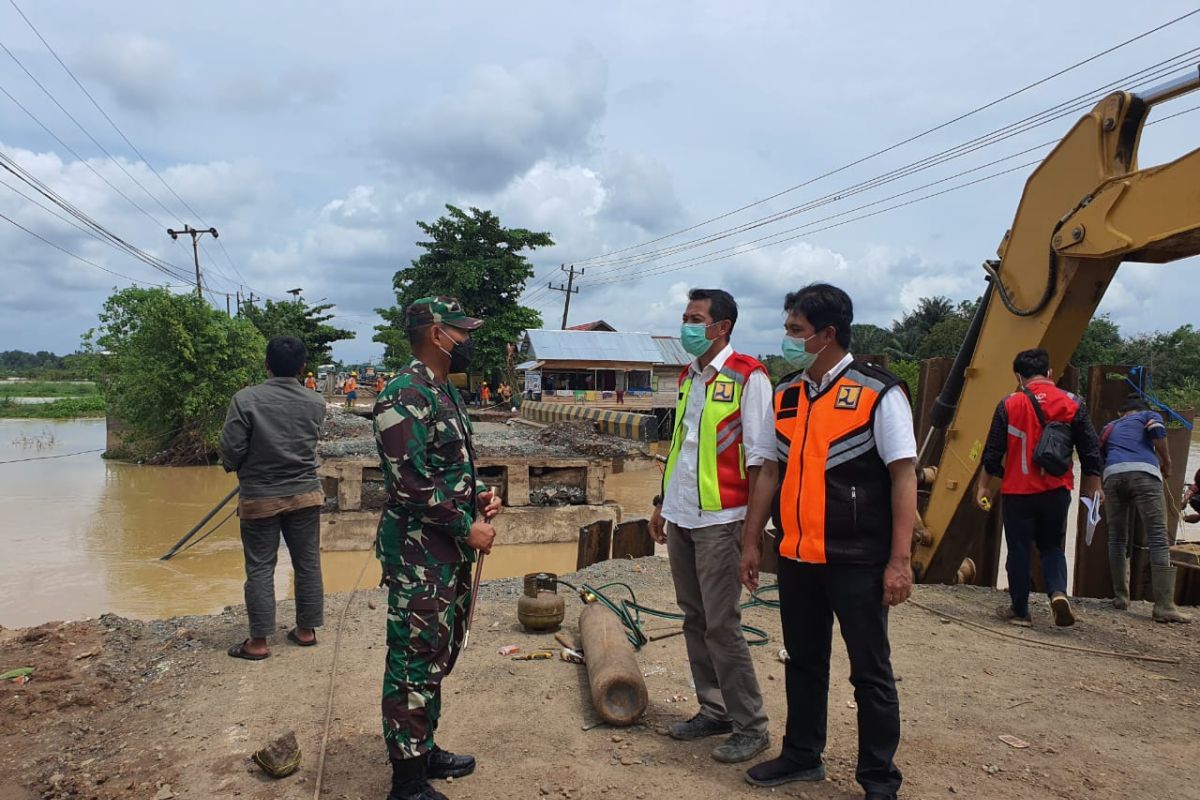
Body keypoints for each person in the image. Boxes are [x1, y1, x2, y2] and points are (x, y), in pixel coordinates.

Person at [741, 283, 916, 800]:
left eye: (796, 331)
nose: (788, 339)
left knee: (871, 674)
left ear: (828, 334)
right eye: (789, 328)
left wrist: (900, 561)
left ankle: (879, 779)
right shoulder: (787, 393)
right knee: (804, 660)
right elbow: (769, 473)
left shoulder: (878, 393)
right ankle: (801, 754)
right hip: (796, 556)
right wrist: (752, 543)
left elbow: (904, 476)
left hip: (858, 559)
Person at [374, 297, 501, 800]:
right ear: (435, 333)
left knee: (437, 651)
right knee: (414, 658)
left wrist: (480, 497)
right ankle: (405, 783)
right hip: (418, 552)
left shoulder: (443, 391)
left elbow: (448, 470)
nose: (467, 340)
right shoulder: (403, 394)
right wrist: (463, 525)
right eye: (460, 331)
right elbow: (409, 483)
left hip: (444, 550)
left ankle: (423, 750)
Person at [649, 288, 772, 764]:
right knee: (695, 619)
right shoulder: (688, 377)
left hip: (723, 521)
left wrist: (751, 538)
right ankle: (714, 708)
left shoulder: (749, 377)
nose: (687, 326)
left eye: (695, 318)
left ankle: (751, 725)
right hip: (682, 517)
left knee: (722, 625)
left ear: (722, 326)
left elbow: (762, 463)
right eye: (685, 317)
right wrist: (662, 505)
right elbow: (681, 447)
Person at [977, 347, 1103, 627]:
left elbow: (993, 451)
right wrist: (1094, 485)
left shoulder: (1008, 404)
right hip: (1057, 491)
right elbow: (1090, 449)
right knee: (1052, 547)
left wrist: (983, 486)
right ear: (1049, 373)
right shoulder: (1072, 402)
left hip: (1018, 492)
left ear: (1019, 377)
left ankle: (1020, 611)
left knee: (1019, 549)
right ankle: (1057, 592)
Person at [219, 336, 328, 660]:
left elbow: (231, 449)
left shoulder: (245, 400)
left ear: (266, 363)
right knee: (307, 562)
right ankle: (306, 631)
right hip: (306, 494)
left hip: (259, 498)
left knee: (260, 567)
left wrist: (237, 466)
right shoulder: (315, 402)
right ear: (302, 367)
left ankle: (258, 643)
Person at [1100, 395, 1190, 623]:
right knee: (1158, 538)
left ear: (1122, 412)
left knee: (1117, 538)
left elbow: (1099, 455)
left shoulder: (1109, 427)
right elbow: (1158, 433)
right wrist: (1167, 463)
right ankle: (1164, 606)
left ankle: (1121, 597)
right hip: (1144, 474)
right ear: (1141, 409)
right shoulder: (1149, 415)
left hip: (1112, 476)